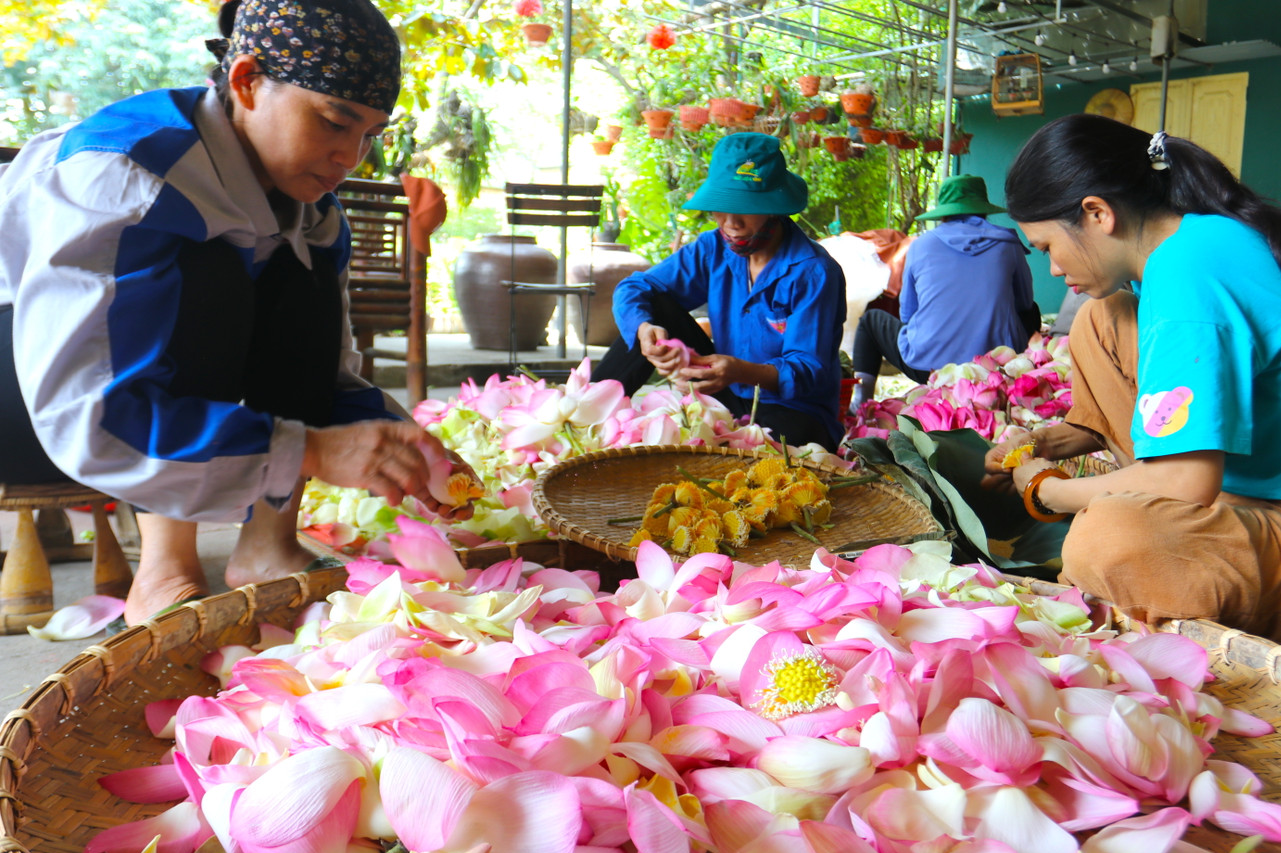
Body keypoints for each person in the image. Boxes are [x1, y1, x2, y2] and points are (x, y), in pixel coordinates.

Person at [0, 0, 474, 623]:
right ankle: (163, 571)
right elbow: (91, 414)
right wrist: (311, 453)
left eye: (368, 135)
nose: (350, 156)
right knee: (211, 268)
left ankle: (267, 548)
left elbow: (322, 375)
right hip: (39, 407)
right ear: (247, 81)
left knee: (292, 267)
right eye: (334, 122)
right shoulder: (127, 176)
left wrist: (406, 447)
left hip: (116, 412)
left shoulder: (317, 214)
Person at [983, 113, 1281, 648]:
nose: (1053, 270)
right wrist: (1054, 440)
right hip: (1280, 490)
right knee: (1102, 318)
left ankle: (1132, 499)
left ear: (1098, 213)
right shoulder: (1205, 238)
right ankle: (1124, 474)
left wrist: (1047, 490)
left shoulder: (1185, 275)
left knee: (1108, 541)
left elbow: (1186, 484)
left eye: (1047, 248)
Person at [592, 133, 848, 448]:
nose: (729, 222)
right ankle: (590, 413)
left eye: (744, 208)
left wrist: (741, 371)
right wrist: (645, 330)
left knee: (779, 453)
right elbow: (635, 287)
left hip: (793, 410)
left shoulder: (814, 272)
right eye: (720, 208)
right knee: (651, 305)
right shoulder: (712, 248)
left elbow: (809, 370)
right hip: (726, 395)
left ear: (774, 208)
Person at [849, 174, 1035, 412]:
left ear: (944, 213)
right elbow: (1025, 303)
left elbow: (907, 314)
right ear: (983, 210)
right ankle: (1022, 385)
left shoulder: (919, 245)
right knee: (1031, 312)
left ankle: (860, 403)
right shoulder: (1008, 243)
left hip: (929, 367)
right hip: (995, 367)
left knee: (871, 320)